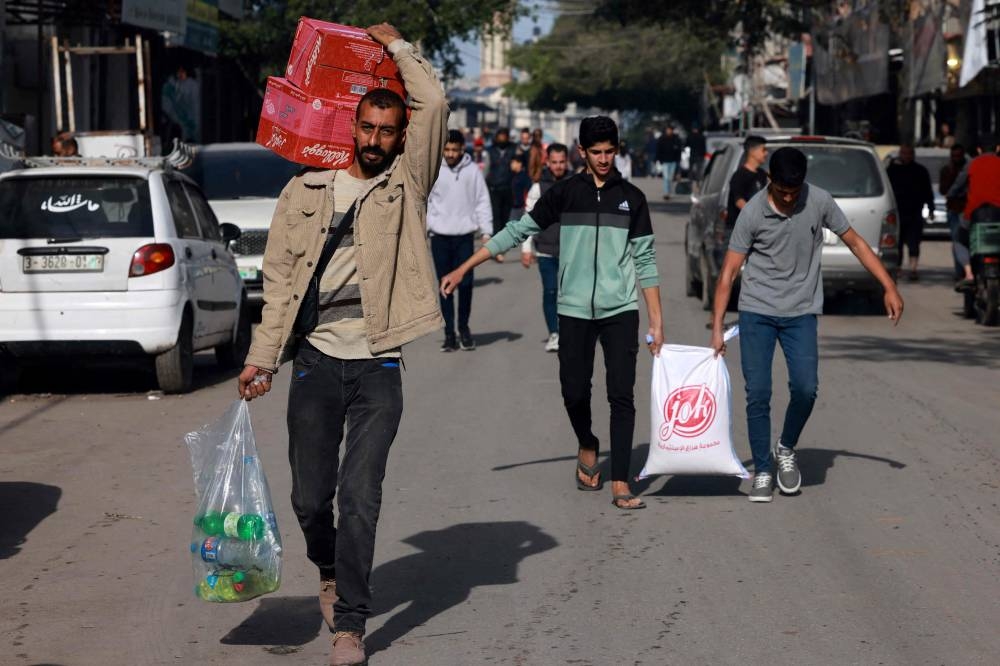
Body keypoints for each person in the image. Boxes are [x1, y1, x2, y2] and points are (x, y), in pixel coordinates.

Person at [237, 23, 447, 666]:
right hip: (318, 361)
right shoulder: (303, 191)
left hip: (379, 359)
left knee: (361, 495)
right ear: (351, 129)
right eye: (369, 130)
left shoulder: (407, 182)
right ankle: (327, 566)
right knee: (309, 496)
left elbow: (432, 104)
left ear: (398, 136)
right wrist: (261, 356)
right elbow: (278, 283)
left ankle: (349, 625)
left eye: (389, 131)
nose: (378, 141)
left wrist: (399, 49)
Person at [441, 116, 663, 510]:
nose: (604, 159)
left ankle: (620, 482)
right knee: (574, 391)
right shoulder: (564, 193)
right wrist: (464, 267)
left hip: (620, 310)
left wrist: (657, 321)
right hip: (574, 309)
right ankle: (588, 442)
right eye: (596, 152)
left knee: (621, 395)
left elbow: (645, 261)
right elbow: (516, 231)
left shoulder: (632, 198)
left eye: (610, 151)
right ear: (581, 152)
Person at [710, 147, 903, 503]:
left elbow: (857, 243)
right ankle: (764, 470)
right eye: (782, 191)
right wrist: (717, 326)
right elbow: (729, 272)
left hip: (801, 312)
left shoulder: (819, 200)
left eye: (793, 192)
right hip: (757, 311)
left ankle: (786, 447)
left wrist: (888, 286)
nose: (788, 198)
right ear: (770, 180)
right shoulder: (752, 212)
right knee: (759, 392)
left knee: (806, 388)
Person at [428, 130, 494, 352]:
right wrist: (425, 228)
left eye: (455, 150)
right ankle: (449, 334)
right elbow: (424, 201)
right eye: (447, 150)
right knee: (445, 286)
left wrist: (487, 232)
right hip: (439, 237)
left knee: (465, 285)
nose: (450, 154)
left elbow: (482, 201)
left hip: (465, 237)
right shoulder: (434, 170)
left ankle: (464, 329)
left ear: (462, 149)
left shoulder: (472, 171)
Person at [520, 143, 570, 352]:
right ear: (547, 162)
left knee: (570, 295)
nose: (558, 166)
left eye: (561, 162)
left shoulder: (577, 183)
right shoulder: (538, 187)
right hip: (545, 249)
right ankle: (554, 333)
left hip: (572, 251)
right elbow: (528, 218)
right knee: (550, 291)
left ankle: (570, 333)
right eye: (554, 162)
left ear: (566, 162)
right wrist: (526, 248)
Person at [887, 144, 935, 281]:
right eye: (904, 153)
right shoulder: (892, 170)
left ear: (913, 155)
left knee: (914, 242)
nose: (906, 156)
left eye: (909, 153)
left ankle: (913, 268)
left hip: (915, 213)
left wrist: (931, 209)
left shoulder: (920, 171)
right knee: (899, 242)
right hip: (897, 213)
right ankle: (898, 268)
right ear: (900, 154)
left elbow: (927, 191)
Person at [939, 144, 972, 285]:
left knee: (966, 241)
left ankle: (967, 271)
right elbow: (944, 190)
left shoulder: (970, 168)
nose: (956, 158)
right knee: (957, 240)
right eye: (954, 156)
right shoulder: (947, 169)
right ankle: (960, 272)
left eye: (959, 155)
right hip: (954, 209)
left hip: (967, 209)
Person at [726, 135, 769, 229]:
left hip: (757, 229)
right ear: (752, 151)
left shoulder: (762, 174)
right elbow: (739, 202)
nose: (766, 153)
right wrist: (757, 217)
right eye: (763, 150)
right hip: (739, 230)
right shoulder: (739, 176)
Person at [485, 127, 515, 238]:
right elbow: (486, 169)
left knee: (505, 214)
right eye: (500, 137)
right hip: (494, 188)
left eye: (504, 137)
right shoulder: (490, 151)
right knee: (495, 214)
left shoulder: (513, 150)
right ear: (496, 138)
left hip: (508, 187)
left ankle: (503, 236)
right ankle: (496, 237)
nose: (502, 140)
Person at [655, 124, 682, 199]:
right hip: (664, 161)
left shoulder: (676, 139)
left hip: (673, 161)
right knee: (666, 178)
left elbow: (679, 150)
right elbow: (658, 149)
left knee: (670, 178)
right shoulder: (662, 139)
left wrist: (678, 160)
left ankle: (669, 192)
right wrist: (658, 159)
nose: (669, 131)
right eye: (668, 129)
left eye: (670, 130)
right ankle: (666, 193)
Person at [509, 153, 533, 225]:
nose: (511, 164)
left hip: (521, 208)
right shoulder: (513, 176)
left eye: (513, 162)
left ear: (519, 164)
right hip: (514, 207)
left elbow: (528, 192)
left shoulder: (524, 177)